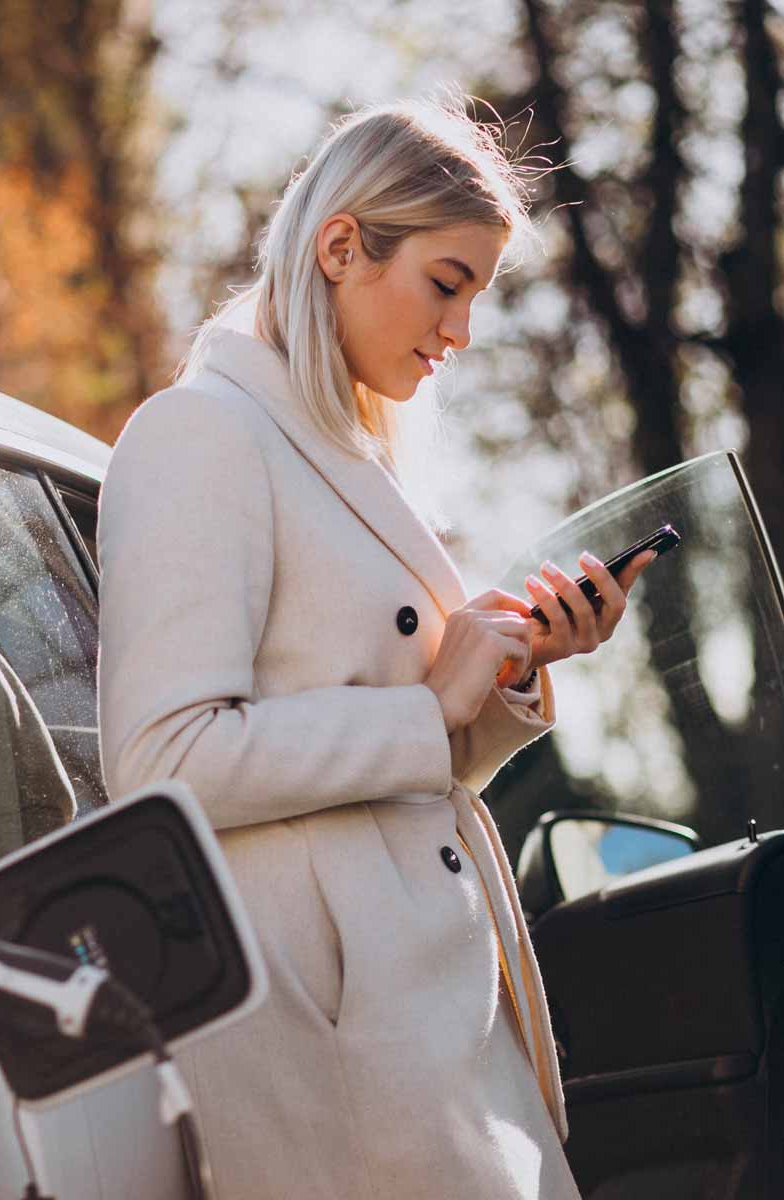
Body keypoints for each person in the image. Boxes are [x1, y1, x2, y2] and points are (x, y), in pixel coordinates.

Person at [97, 95, 653, 1200]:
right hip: (332, 1036)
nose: (458, 333)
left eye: (476, 299)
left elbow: (413, 773)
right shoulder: (202, 432)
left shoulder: (342, 455)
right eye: (446, 284)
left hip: (420, 1018)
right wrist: (430, 704)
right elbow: (161, 761)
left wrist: (502, 674)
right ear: (342, 246)